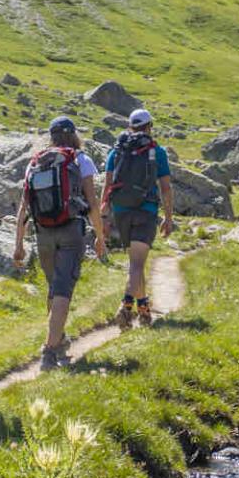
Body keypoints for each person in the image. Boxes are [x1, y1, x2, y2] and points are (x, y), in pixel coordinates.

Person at [13, 117, 107, 369]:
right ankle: (49, 350)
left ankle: (59, 338)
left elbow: (24, 206)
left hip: (42, 231)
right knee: (63, 289)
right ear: (74, 135)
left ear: (51, 136)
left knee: (54, 288)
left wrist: (18, 243)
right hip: (71, 231)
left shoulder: (36, 162)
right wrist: (100, 235)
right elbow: (92, 202)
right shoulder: (79, 159)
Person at [102, 108, 174, 328]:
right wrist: (168, 217)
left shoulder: (117, 152)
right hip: (146, 211)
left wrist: (104, 216)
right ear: (149, 127)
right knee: (136, 264)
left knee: (136, 264)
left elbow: (107, 186)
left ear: (130, 127)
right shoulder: (157, 152)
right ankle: (125, 308)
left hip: (121, 211)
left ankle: (143, 309)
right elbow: (166, 188)